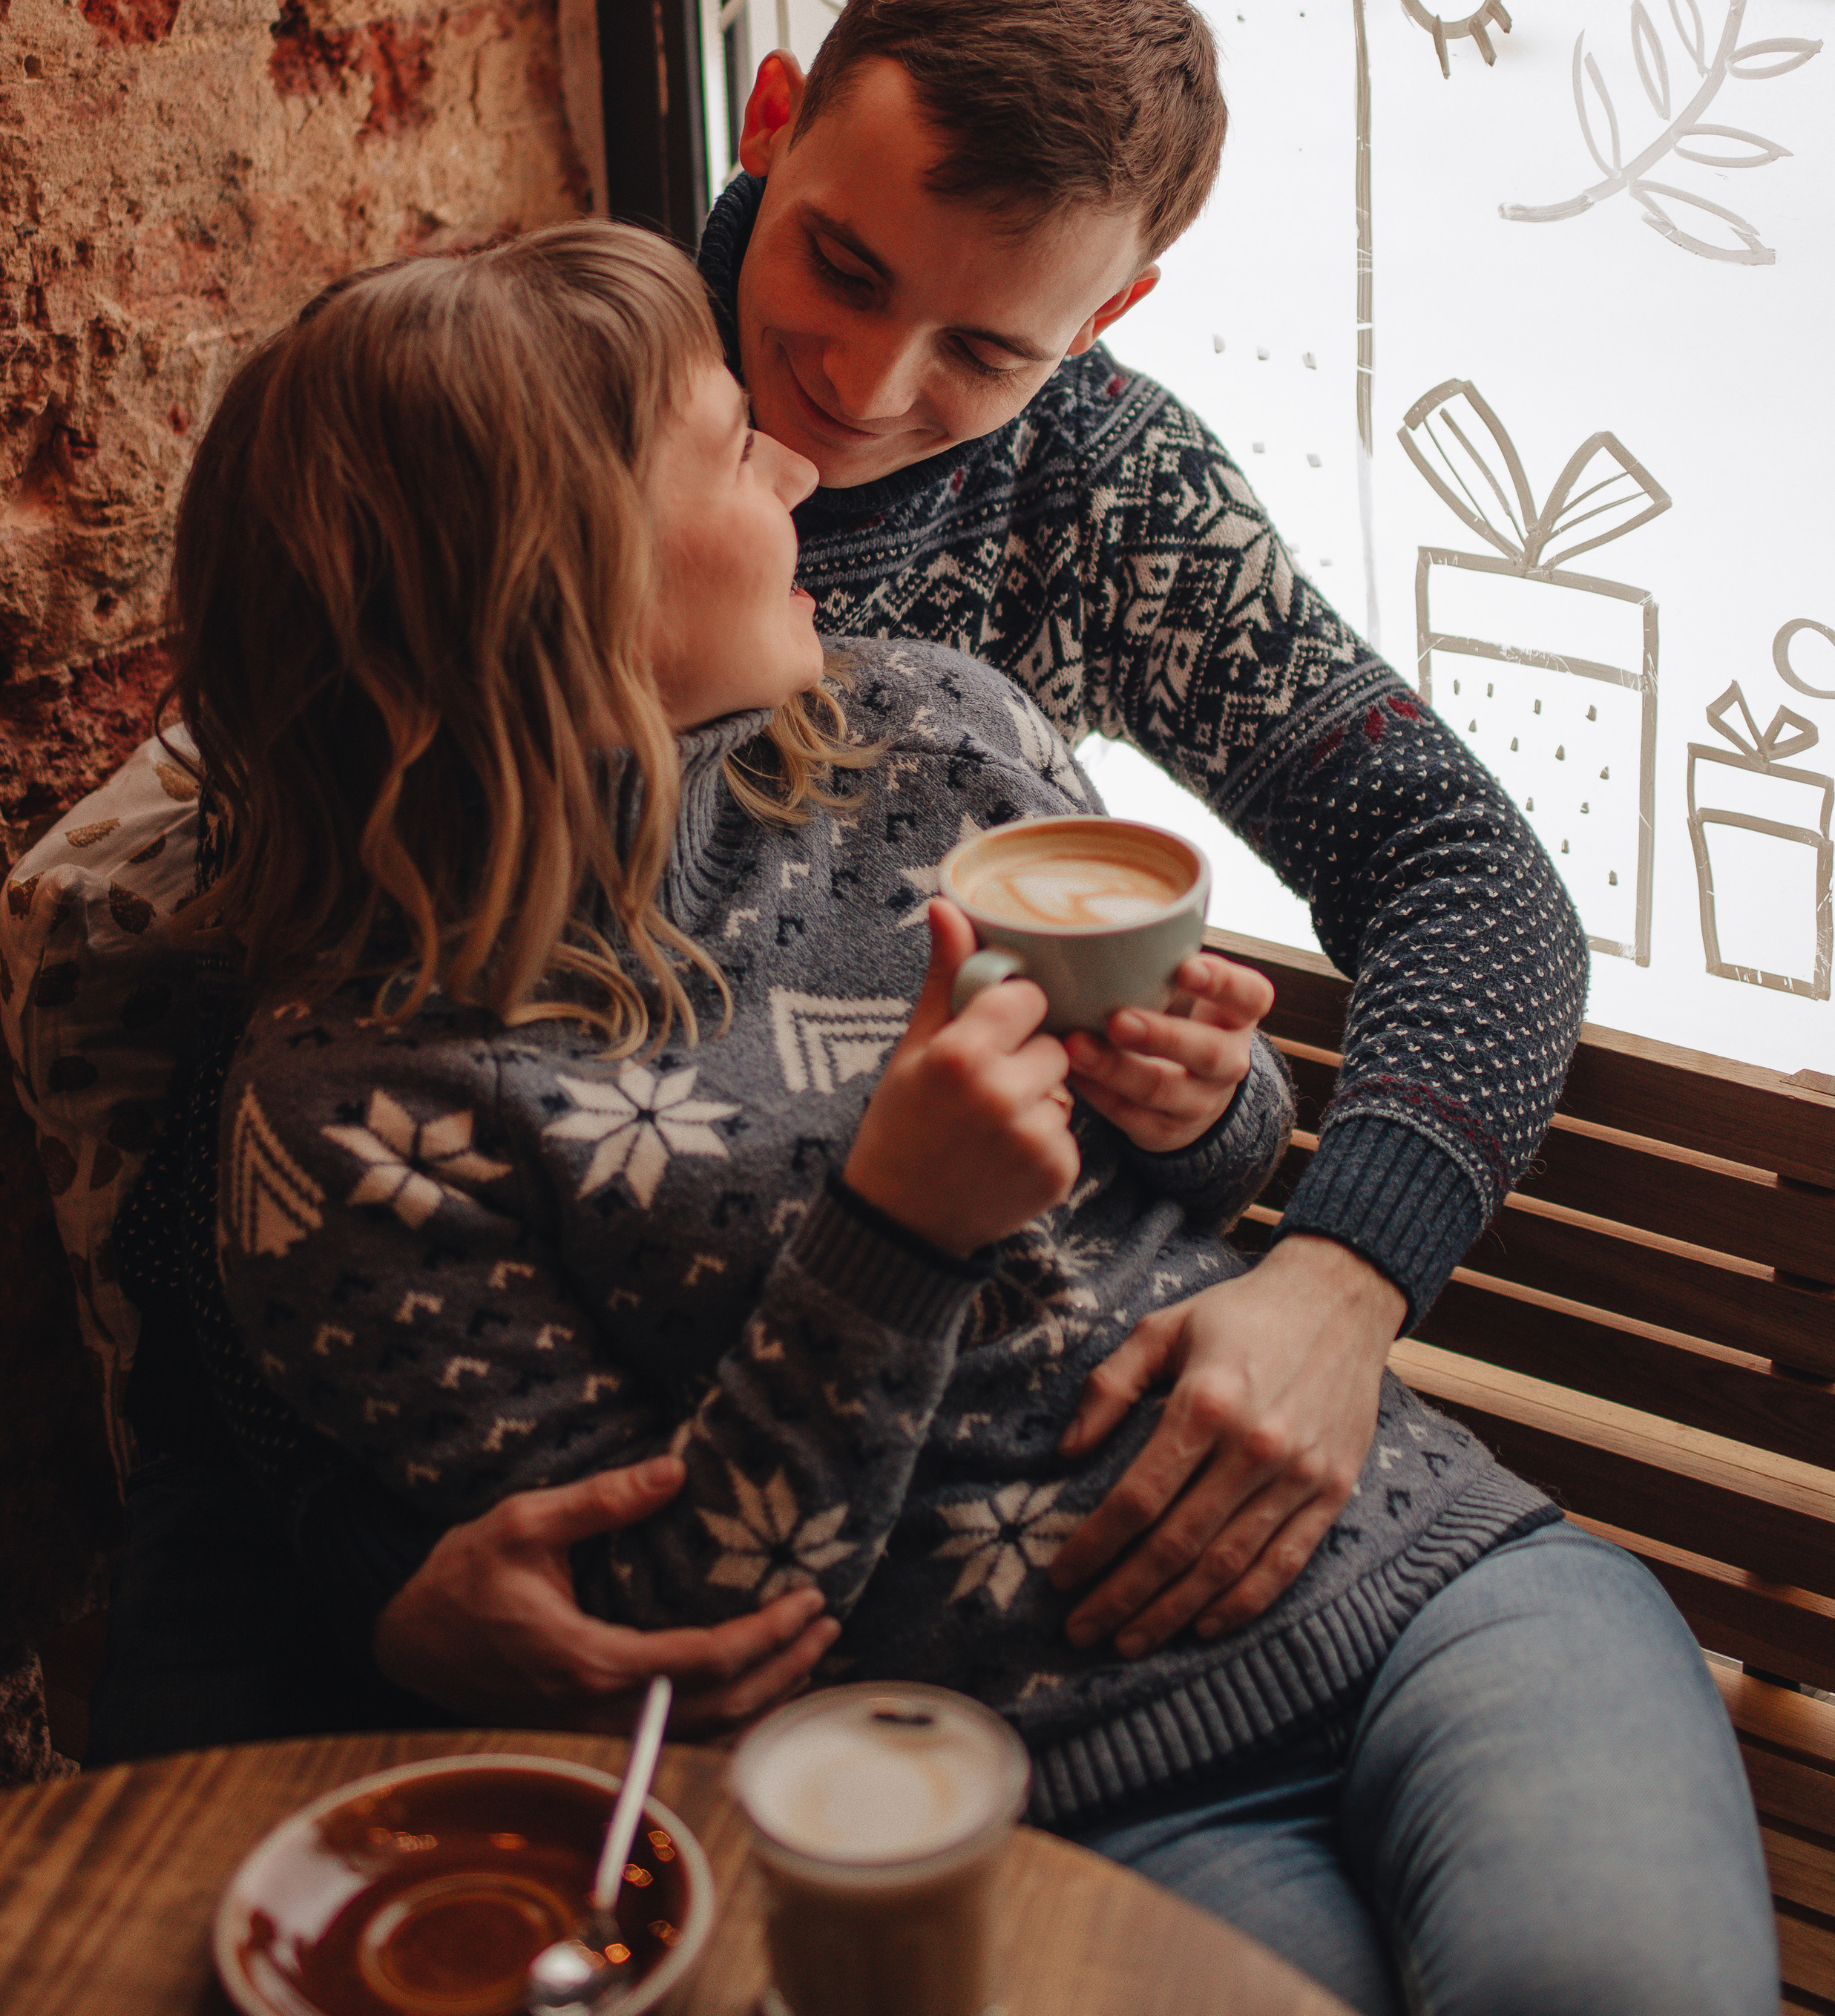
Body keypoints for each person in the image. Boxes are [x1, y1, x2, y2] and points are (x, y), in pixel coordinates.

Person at [137, 221, 1773, 2016]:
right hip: (1039, 1793)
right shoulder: (360, 1110)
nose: (798, 453)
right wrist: (892, 1238)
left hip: (1433, 1591)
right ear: (562, 578)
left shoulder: (929, 726)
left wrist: (1216, 1101)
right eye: (725, 439)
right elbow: (684, 1646)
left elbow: (1230, 1136)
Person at [9, 0, 1581, 1733]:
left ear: (1107, 318)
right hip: (570, 1459)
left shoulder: (1092, 484)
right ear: (769, 119)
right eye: (838, 269)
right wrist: (378, 1580)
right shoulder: (550, 407)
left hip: (1021, 1458)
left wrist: (1340, 1273)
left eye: (986, 353)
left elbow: (1459, 865)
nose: (857, 392)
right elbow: (284, 1106)